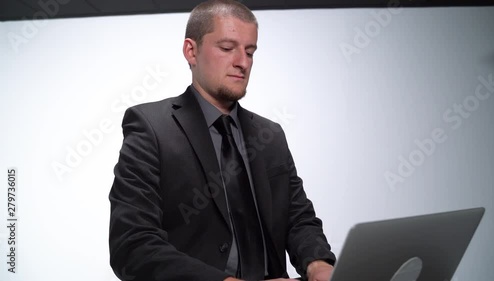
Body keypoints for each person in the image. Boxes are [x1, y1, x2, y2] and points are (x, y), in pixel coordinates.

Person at [108, 1, 336, 280]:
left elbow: (298, 219)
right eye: (228, 48)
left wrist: (319, 265)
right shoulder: (151, 126)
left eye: (250, 51)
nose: (242, 62)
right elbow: (132, 246)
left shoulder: (271, 135)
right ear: (191, 51)